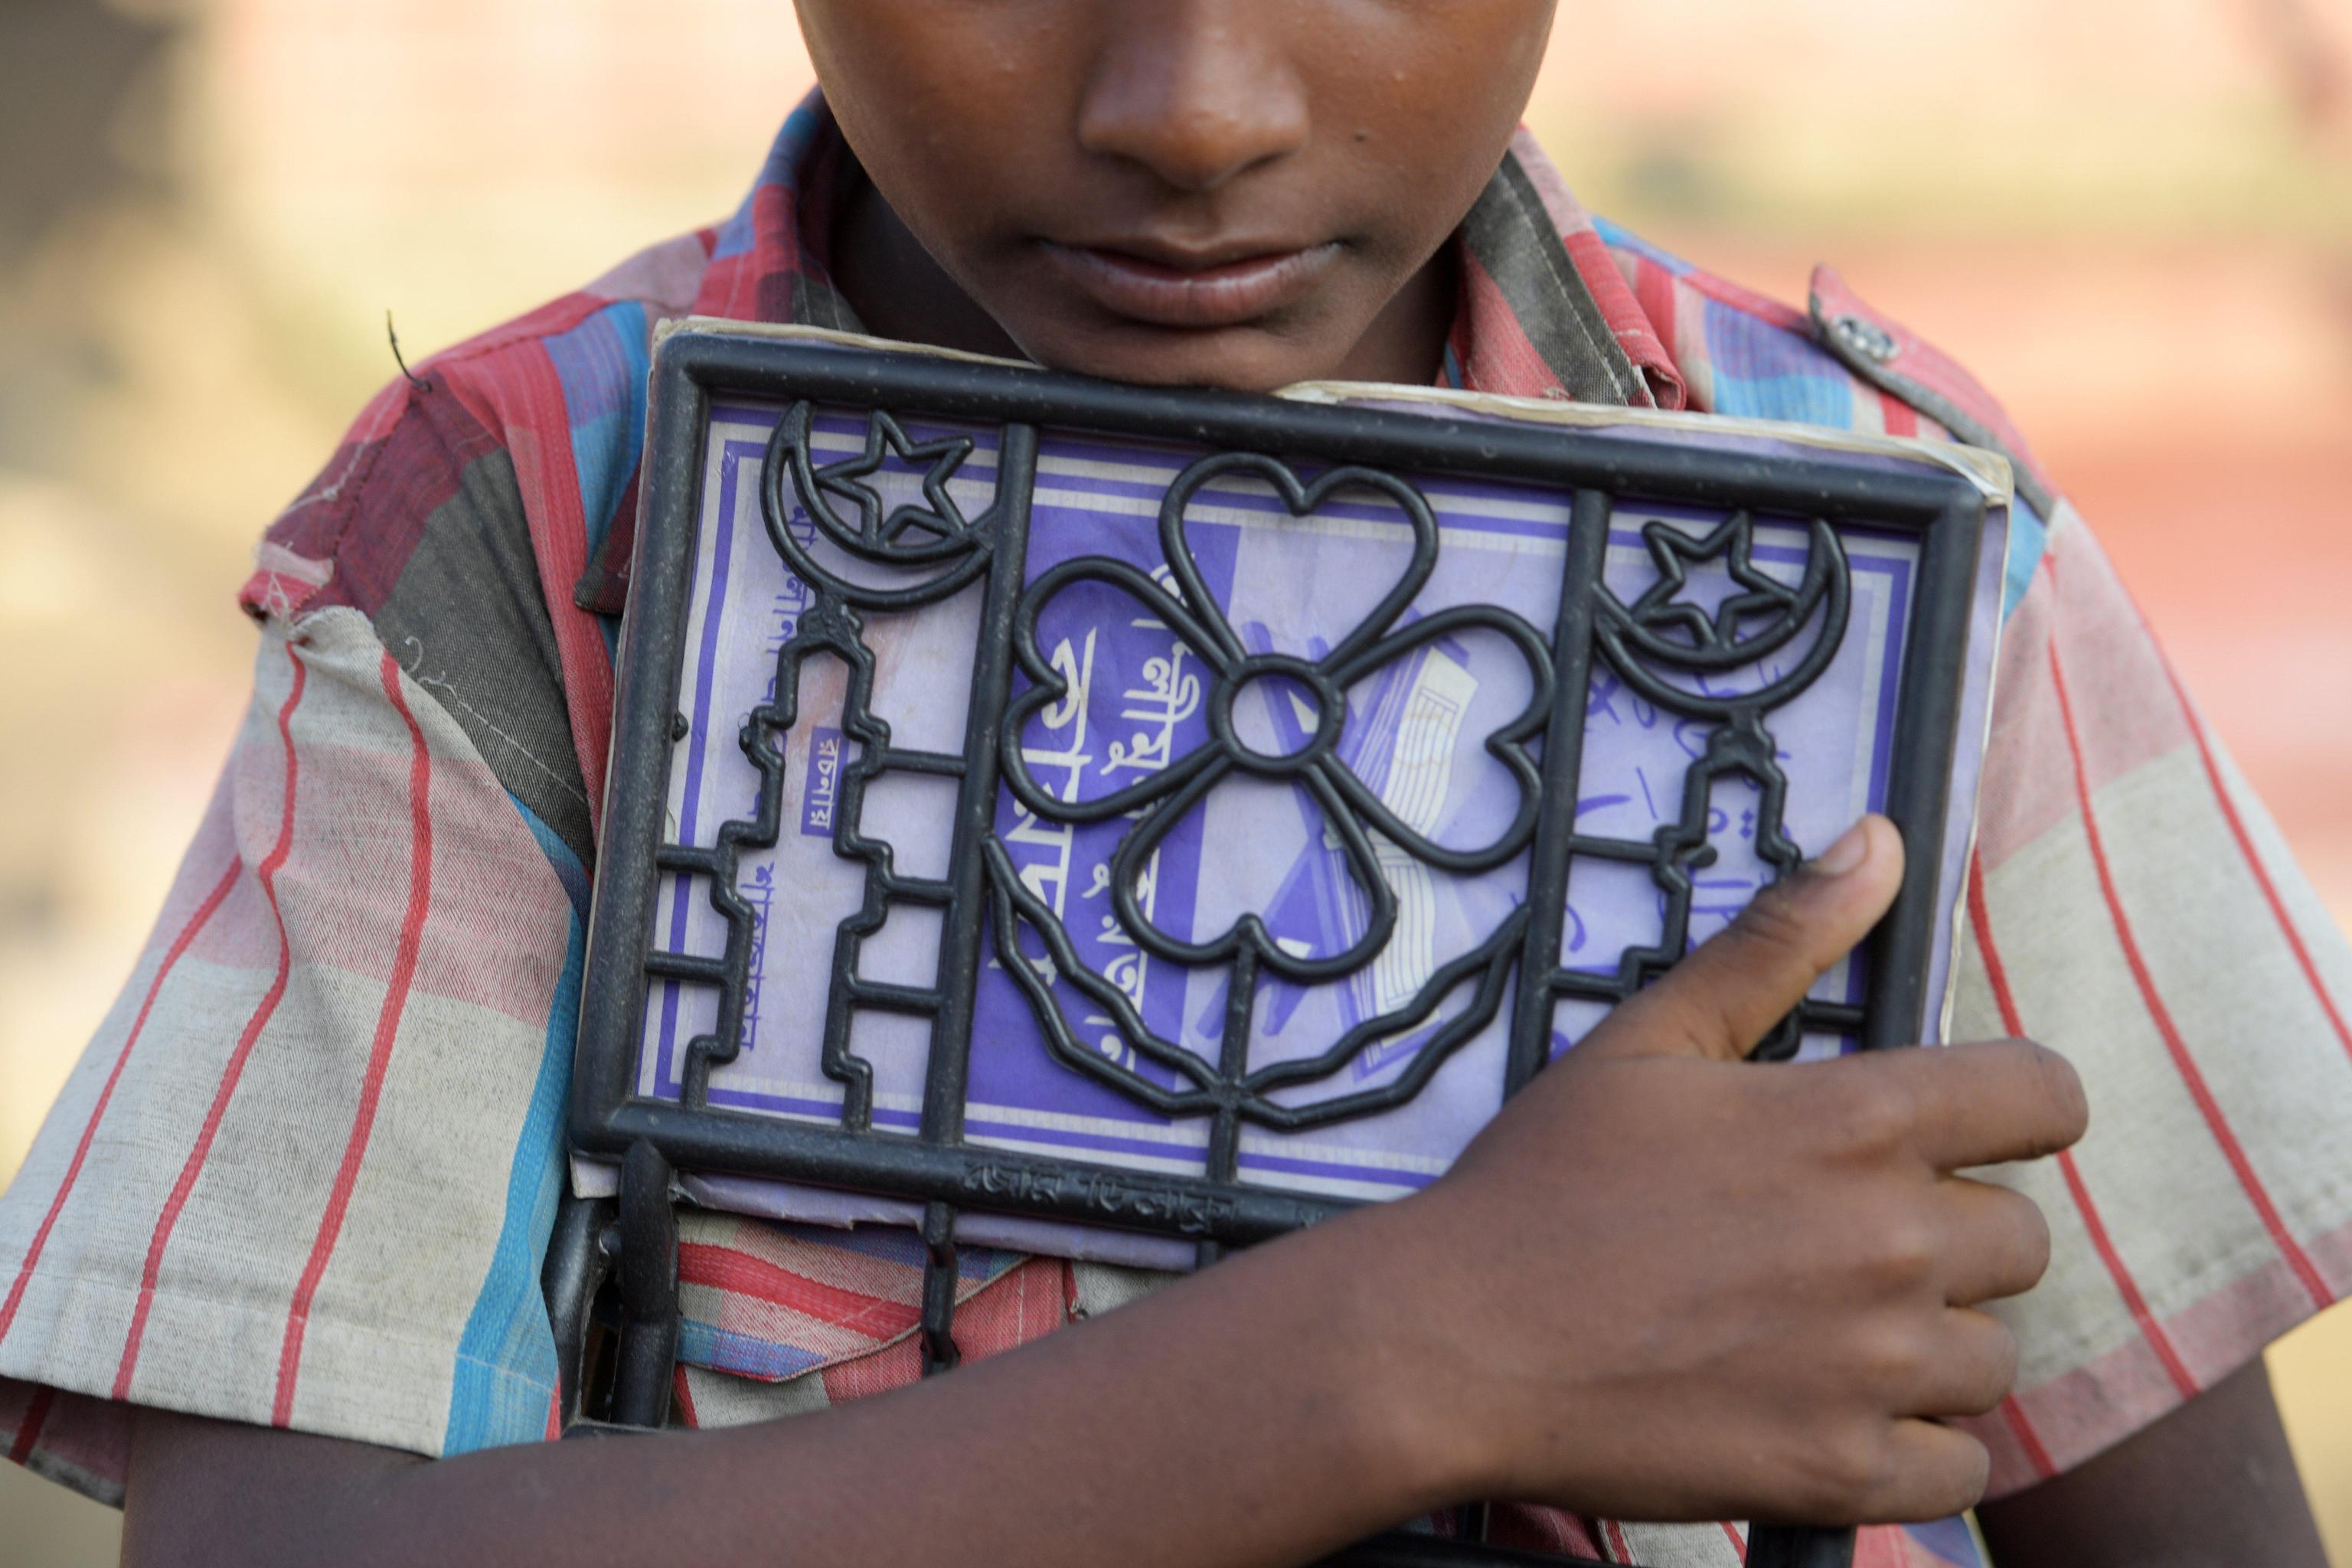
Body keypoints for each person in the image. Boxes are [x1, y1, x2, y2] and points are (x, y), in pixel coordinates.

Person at [2, 5, 2345, 1565]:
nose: (1193, 107)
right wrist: (1407, 1354)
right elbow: (272, 1545)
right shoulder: (535, 536)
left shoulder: (1891, 545)